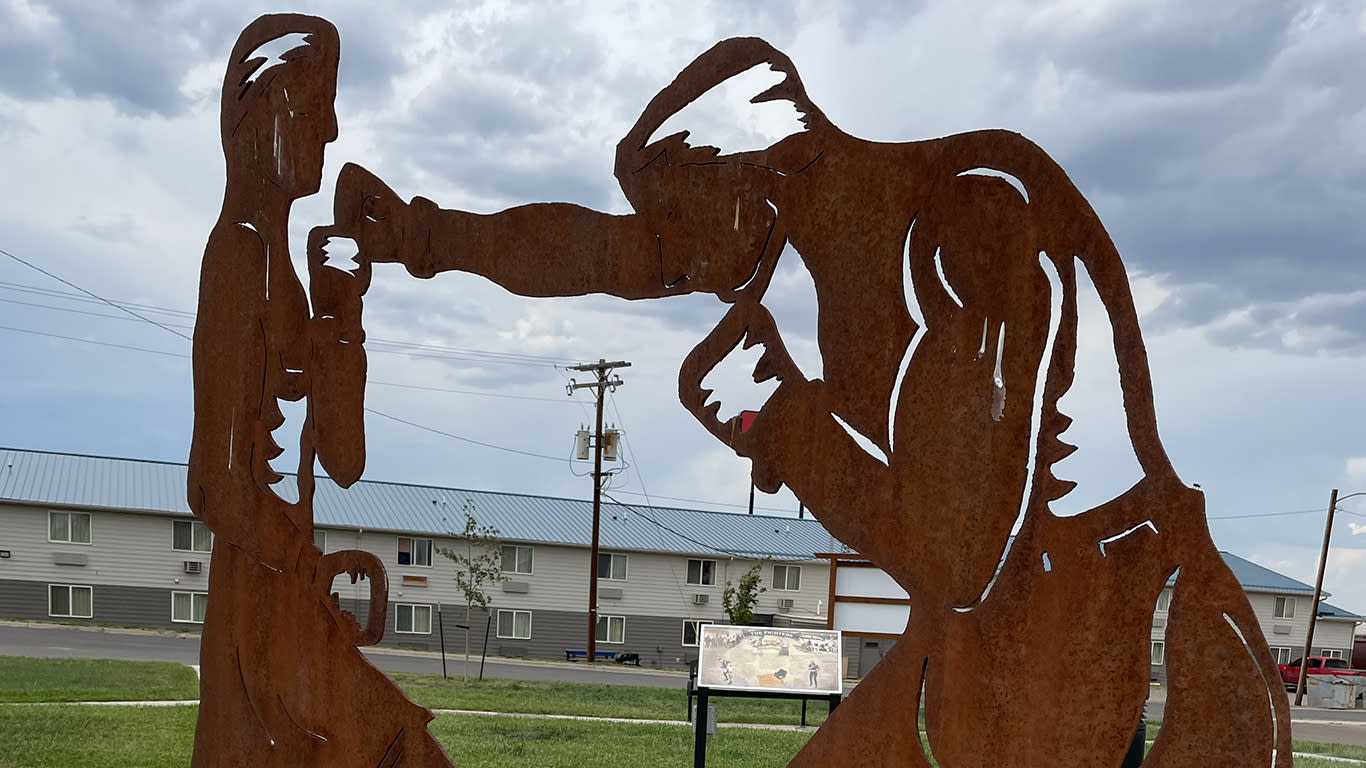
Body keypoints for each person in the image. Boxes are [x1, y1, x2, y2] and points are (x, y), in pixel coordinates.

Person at [330, 36, 1289, 768]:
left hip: (1069, 614)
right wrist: (425, 236)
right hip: (982, 620)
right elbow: (604, 255)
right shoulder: (808, 223)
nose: (664, 254)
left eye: (676, 215)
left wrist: (783, 421)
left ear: (756, 174)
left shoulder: (967, 225)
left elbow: (956, 560)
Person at [188, 15, 451, 767]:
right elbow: (215, 484)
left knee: (399, 745)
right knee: (396, 747)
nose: (332, 129)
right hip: (258, 605)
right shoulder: (237, 256)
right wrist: (299, 567)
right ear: (260, 112)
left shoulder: (281, 265)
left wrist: (343, 319)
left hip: (286, 591)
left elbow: (342, 458)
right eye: (315, 103)